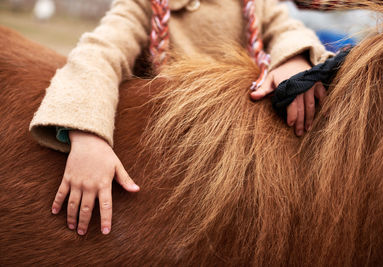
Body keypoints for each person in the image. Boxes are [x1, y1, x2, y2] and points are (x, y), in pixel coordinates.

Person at [29, 0, 332, 236]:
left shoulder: (253, 5)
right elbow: (99, 54)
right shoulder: (145, 6)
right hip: (174, 157)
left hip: (245, 154)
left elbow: (287, 29)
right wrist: (88, 136)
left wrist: (293, 58)